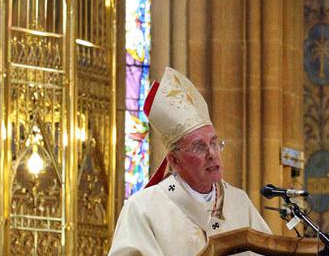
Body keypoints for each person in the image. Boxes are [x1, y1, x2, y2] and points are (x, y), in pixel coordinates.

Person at [109, 67, 271, 256]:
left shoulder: (239, 202)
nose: (212, 153)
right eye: (199, 147)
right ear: (175, 161)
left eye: (214, 143)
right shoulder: (143, 208)